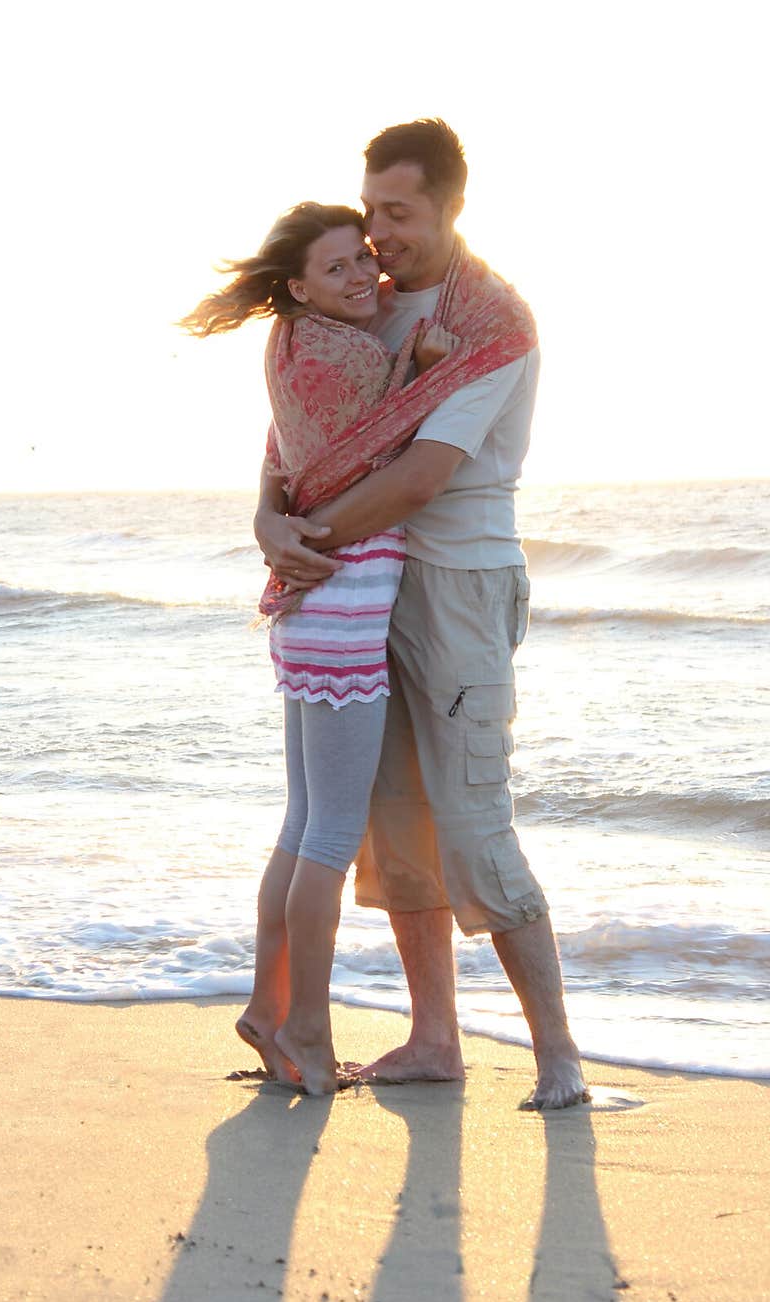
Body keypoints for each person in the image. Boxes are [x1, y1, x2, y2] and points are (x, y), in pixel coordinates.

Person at [254, 120, 590, 1109]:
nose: (380, 235)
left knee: (474, 817)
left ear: (450, 208)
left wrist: (301, 539)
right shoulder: (376, 306)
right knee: (393, 826)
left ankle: (558, 1055)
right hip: (368, 585)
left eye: (399, 214)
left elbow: (420, 475)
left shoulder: (493, 324)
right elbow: (297, 434)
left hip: (458, 580)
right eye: (372, 214)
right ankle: (434, 1038)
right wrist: (268, 518)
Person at [182, 203, 473, 1094]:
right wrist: (425, 362)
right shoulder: (347, 351)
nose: (362, 276)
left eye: (362, 261)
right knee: (333, 835)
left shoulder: (290, 345)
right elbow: (391, 441)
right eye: (338, 268)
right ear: (300, 284)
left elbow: (287, 457)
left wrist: (270, 515)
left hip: (310, 615)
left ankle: (270, 1010)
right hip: (344, 608)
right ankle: (306, 1028)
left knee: (304, 823)